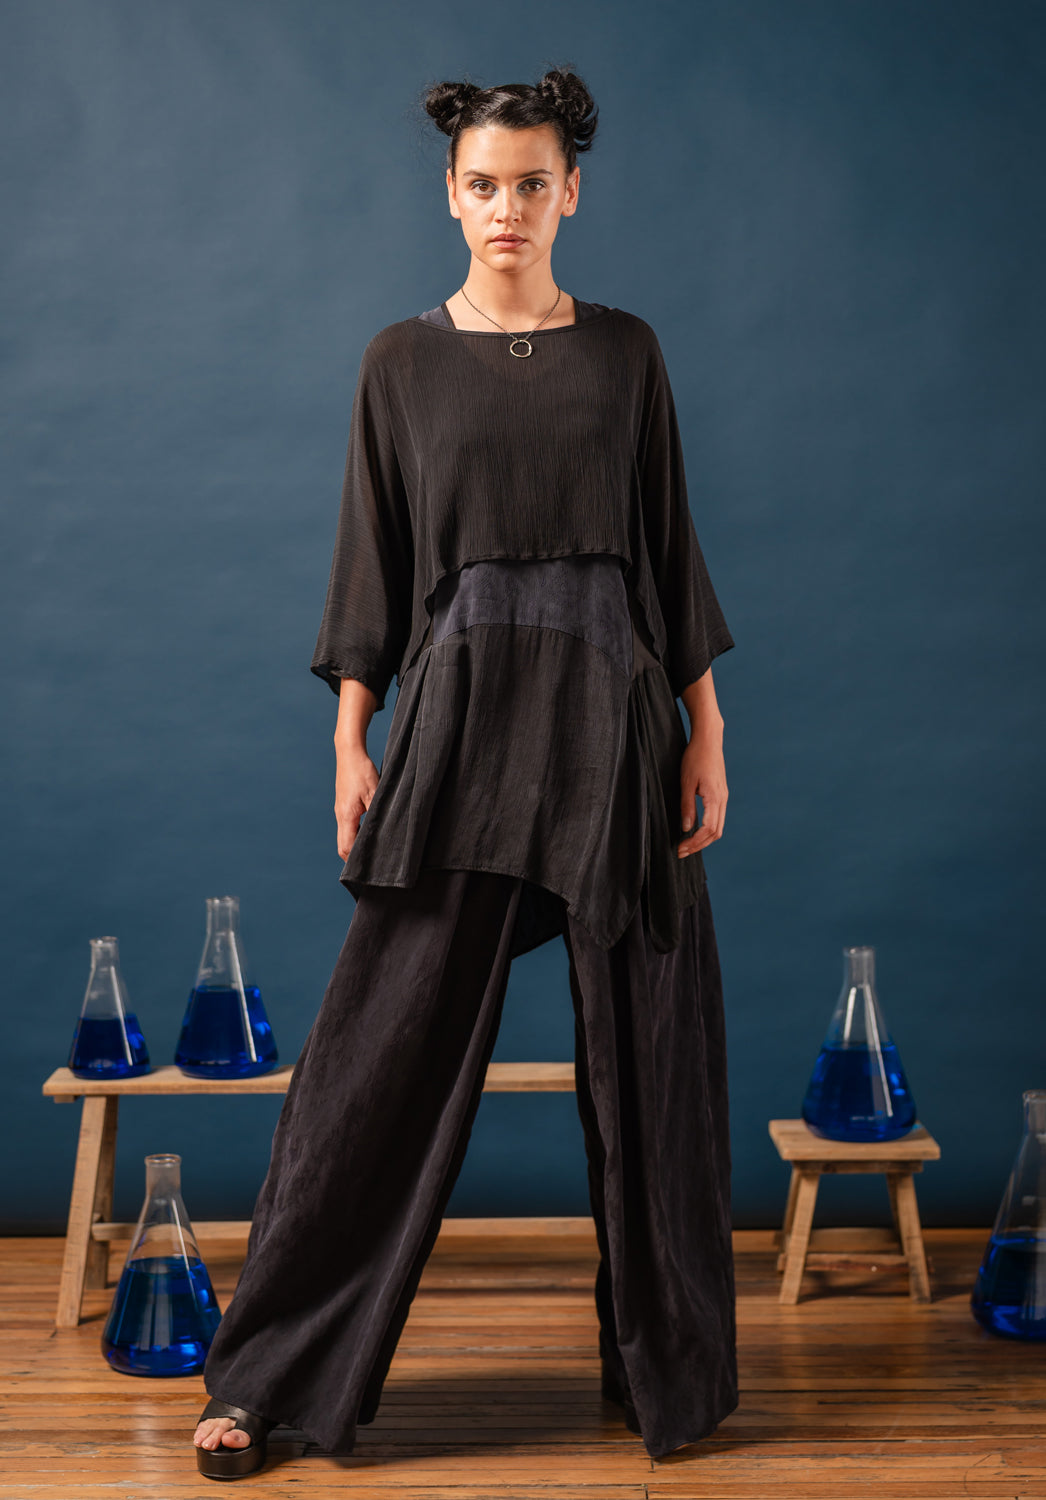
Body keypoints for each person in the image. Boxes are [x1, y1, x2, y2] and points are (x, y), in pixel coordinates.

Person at [192, 67, 738, 1481]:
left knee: (654, 1058)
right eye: (483, 183)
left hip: (614, 723)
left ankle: (664, 1372)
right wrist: (348, 740)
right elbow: (371, 562)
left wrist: (708, 729)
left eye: (533, 182)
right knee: (375, 1061)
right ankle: (271, 1378)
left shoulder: (625, 352)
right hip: (460, 720)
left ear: (572, 192)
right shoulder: (399, 360)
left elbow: (666, 548)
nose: (507, 208)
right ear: (450, 192)